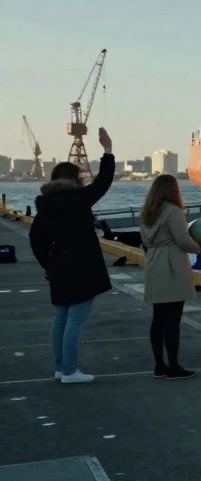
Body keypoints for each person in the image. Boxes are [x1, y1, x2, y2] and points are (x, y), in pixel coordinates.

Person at [28, 127, 116, 384]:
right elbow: (104, 182)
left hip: (60, 267)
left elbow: (36, 240)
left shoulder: (44, 207)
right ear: (74, 179)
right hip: (82, 268)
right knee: (75, 319)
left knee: (61, 318)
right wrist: (108, 150)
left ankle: (60, 368)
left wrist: (48, 263)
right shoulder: (79, 199)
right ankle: (69, 371)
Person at [139, 174, 201, 380]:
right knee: (173, 319)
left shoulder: (147, 212)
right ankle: (174, 366)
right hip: (172, 265)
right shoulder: (173, 211)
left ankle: (159, 365)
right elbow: (183, 240)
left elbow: (145, 240)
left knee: (158, 318)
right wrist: (198, 248)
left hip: (153, 262)